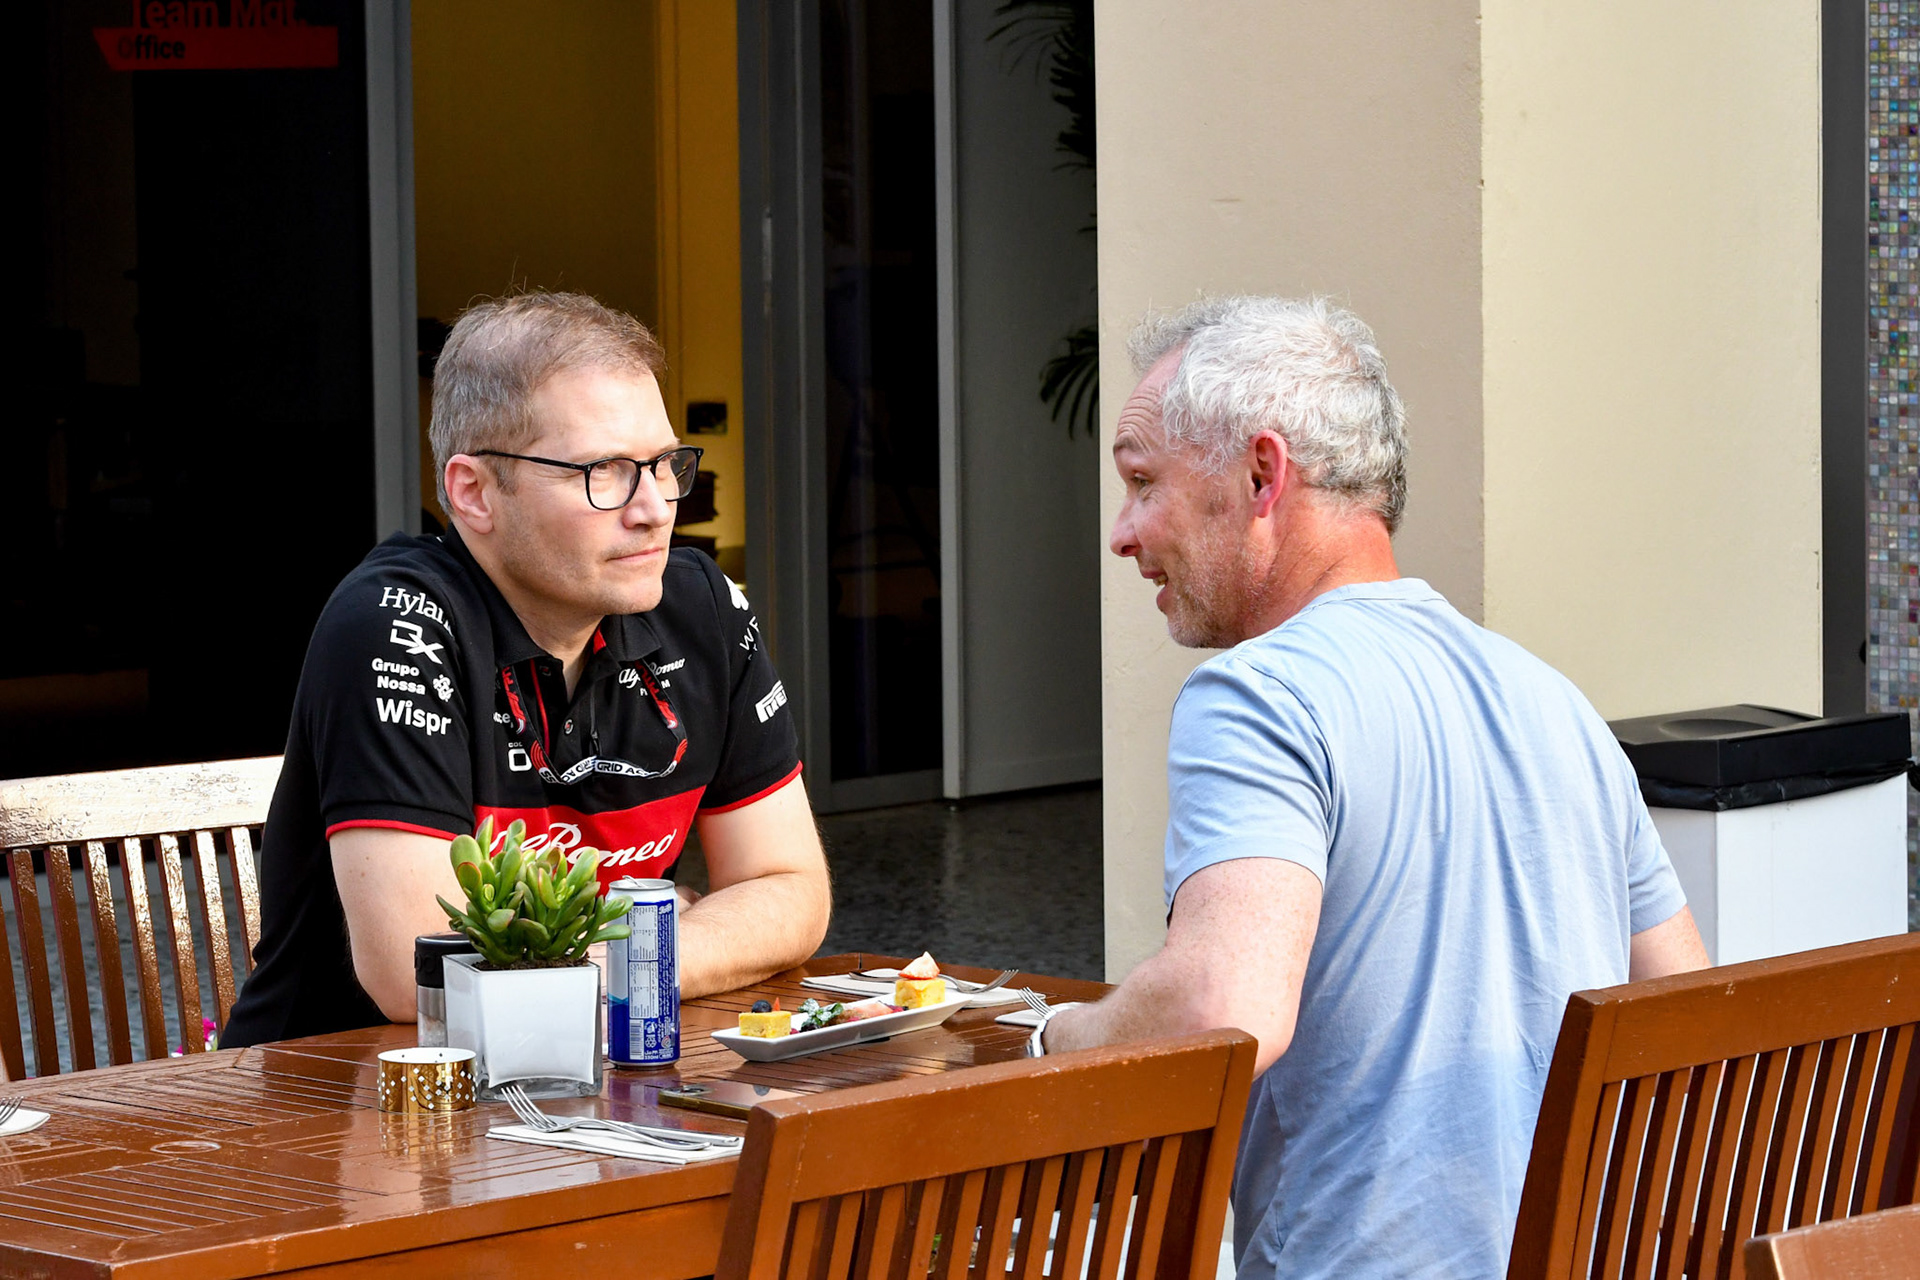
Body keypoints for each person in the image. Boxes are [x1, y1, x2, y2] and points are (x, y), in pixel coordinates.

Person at [1035, 296, 1709, 1278]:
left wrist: (1056, 1037)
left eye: (1142, 483)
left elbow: (1222, 1004)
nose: (1123, 533)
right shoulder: (1550, 698)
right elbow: (1690, 1019)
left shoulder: (1259, 694)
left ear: (1262, 474)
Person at [222, 293, 830, 1048]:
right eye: (604, 471)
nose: (655, 508)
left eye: (664, 465)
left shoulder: (699, 606)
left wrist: (625, 959)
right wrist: (657, 931)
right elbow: (418, 974)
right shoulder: (392, 626)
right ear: (474, 492)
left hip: (582, 1084)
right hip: (344, 1107)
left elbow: (791, 891)